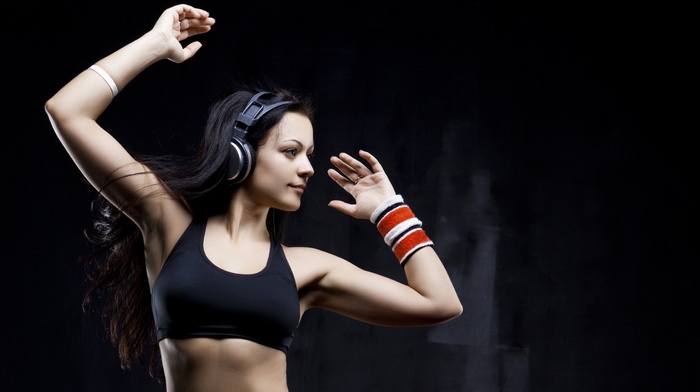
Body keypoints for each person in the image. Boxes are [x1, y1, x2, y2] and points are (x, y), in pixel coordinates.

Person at [45, 4, 462, 392]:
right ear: (240, 153)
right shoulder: (166, 222)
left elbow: (440, 304)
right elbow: (68, 111)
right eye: (290, 151)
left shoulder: (306, 268)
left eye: (309, 155)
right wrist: (155, 45)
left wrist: (389, 212)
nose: (308, 169)